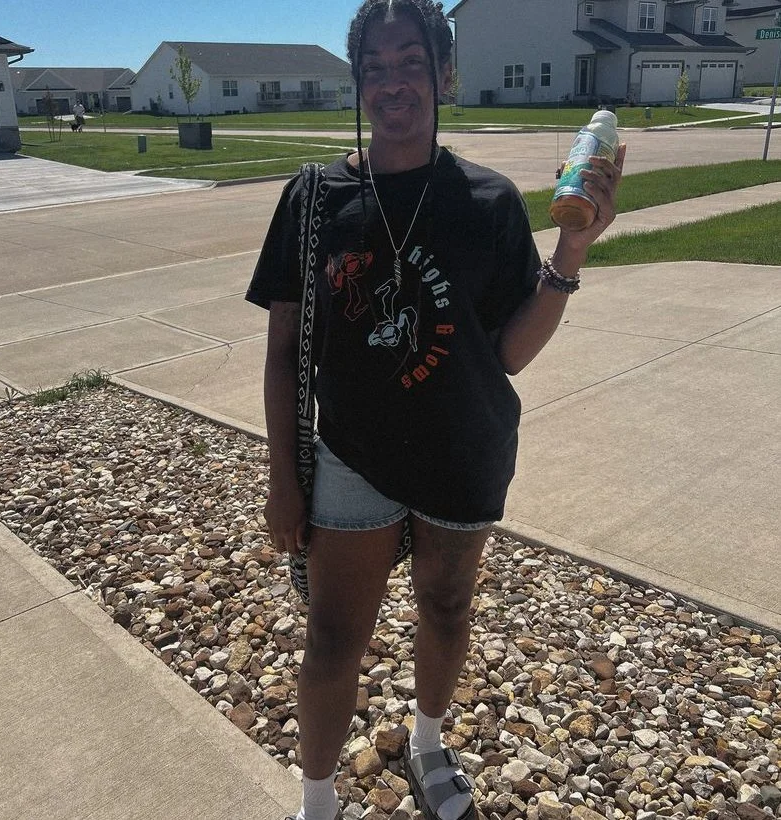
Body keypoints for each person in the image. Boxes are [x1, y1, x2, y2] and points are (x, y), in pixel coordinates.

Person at [246, 2, 626, 819]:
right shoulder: (313, 200)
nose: (393, 83)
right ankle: (317, 801)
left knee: (446, 606)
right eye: (375, 66)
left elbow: (508, 353)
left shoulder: (484, 202)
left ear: (442, 73)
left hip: (464, 449)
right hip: (351, 455)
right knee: (331, 638)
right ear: (358, 82)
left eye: (409, 61)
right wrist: (283, 475)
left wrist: (572, 251)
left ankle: (426, 742)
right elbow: (282, 354)